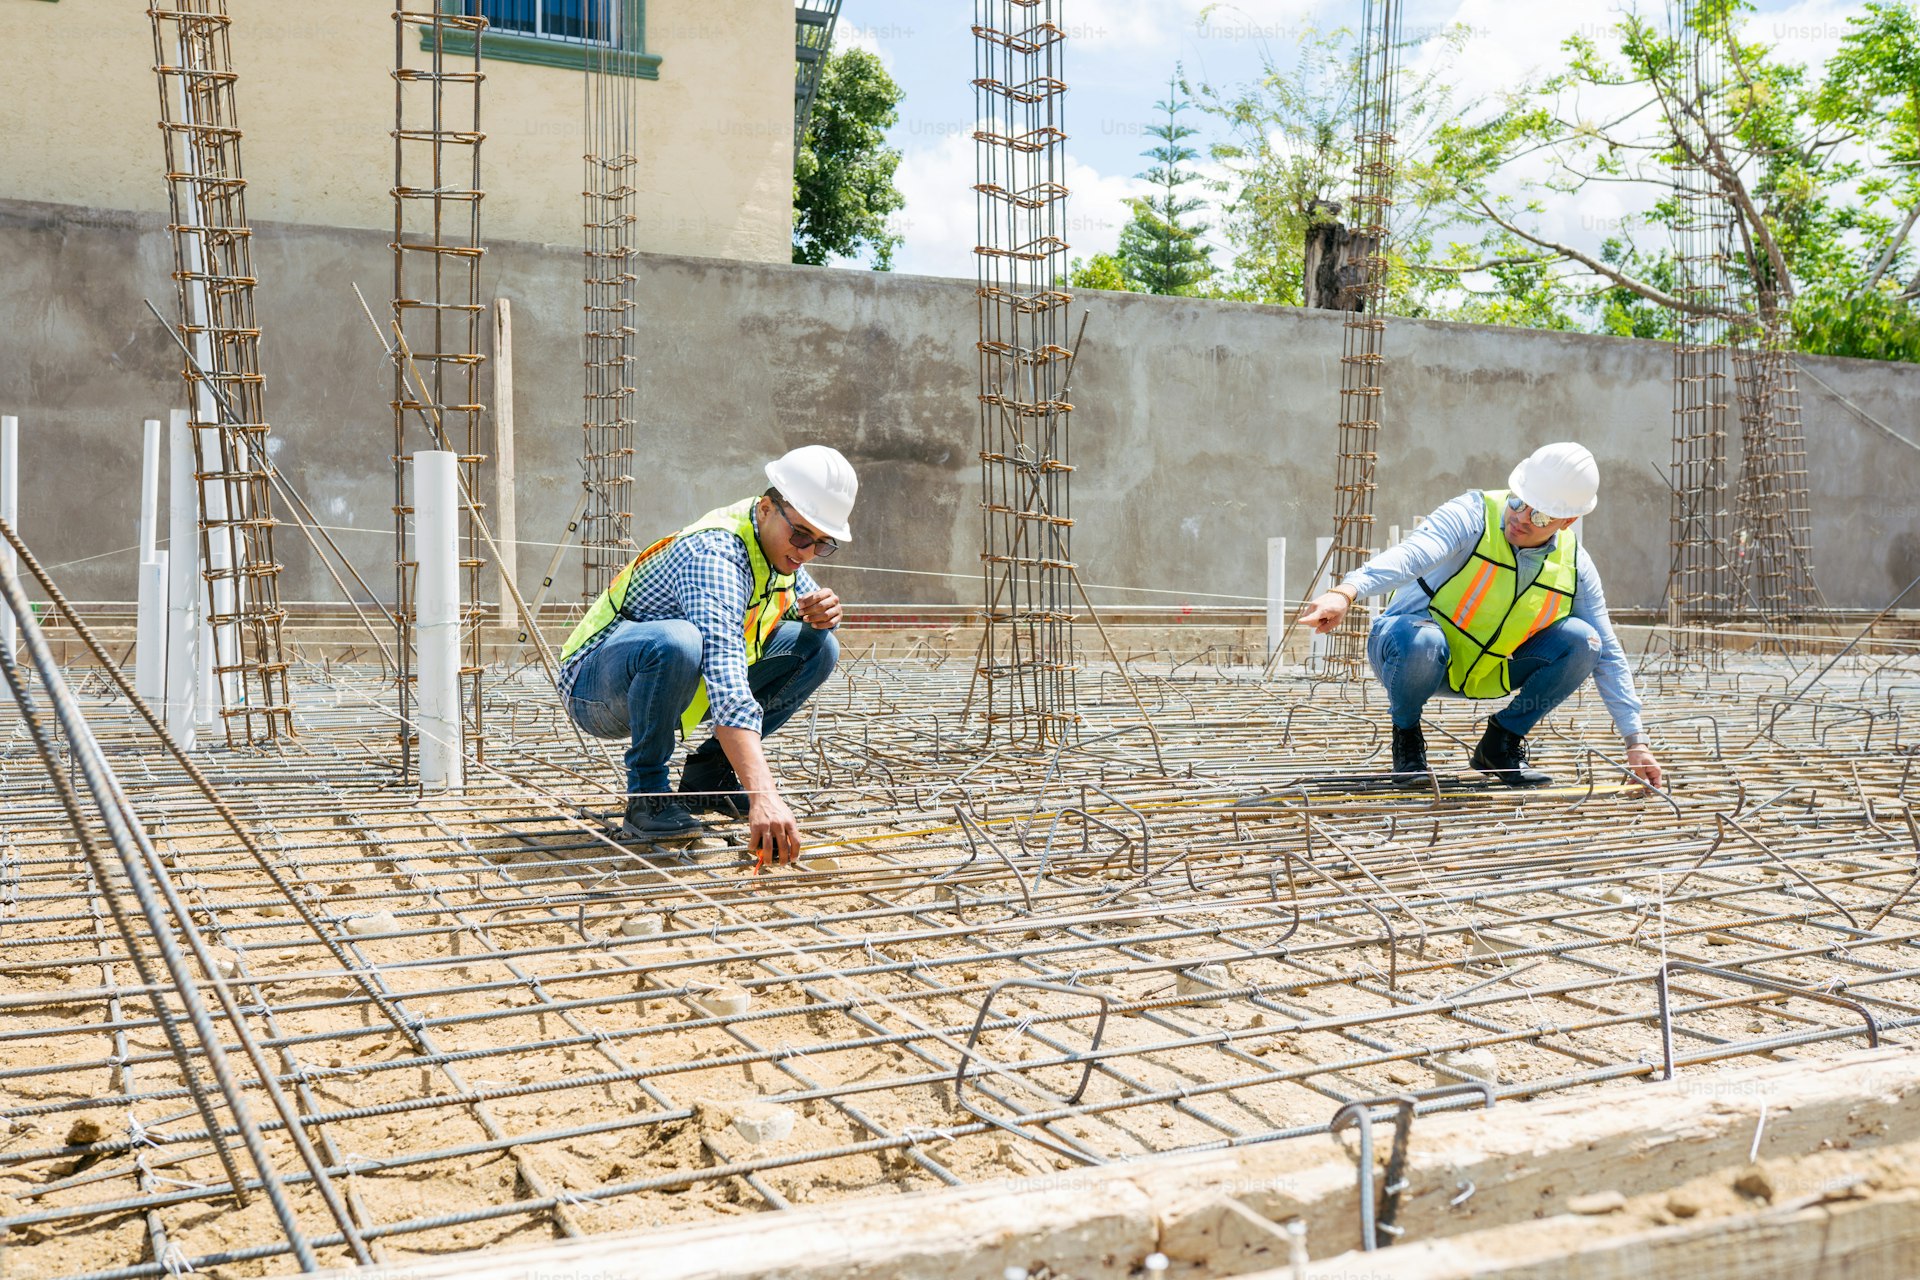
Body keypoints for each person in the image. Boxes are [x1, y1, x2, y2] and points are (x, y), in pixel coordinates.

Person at [1296, 442, 1663, 790]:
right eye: (1518, 502)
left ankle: (1500, 744)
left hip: (1487, 670)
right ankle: (1406, 739)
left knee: (1587, 640)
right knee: (1423, 640)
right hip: (1410, 652)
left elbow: (1609, 654)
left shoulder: (1574, 564)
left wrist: (1636, 740)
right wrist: (1347, 591)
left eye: (1538, 514)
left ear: (1567, 520)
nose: (1519, 517)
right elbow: (1413, 554)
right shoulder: (1473, 513)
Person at [557, 445, 856, 867]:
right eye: (802, 535)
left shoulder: (777, 550)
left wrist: (825, 612)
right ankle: (647, 797)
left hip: (665, 681)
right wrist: (764, 796)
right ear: (767, 508)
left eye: (822, 545)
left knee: (819, 644)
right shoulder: (715, 555)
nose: (807, 552)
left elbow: (801, 606)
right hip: (593, 686)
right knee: (678, 641)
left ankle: (709, 776)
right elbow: (726, 676)